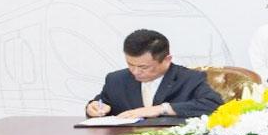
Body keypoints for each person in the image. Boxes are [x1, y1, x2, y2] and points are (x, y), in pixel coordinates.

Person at [86, 29, 223, 118]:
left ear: (167, 60)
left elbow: (213, 105)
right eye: (130, 64)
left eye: (143, 67)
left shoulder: (189, 79)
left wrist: (162, 109)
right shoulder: (116, 79)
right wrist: (93, 107)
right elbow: (102, 102)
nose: (135, 72)